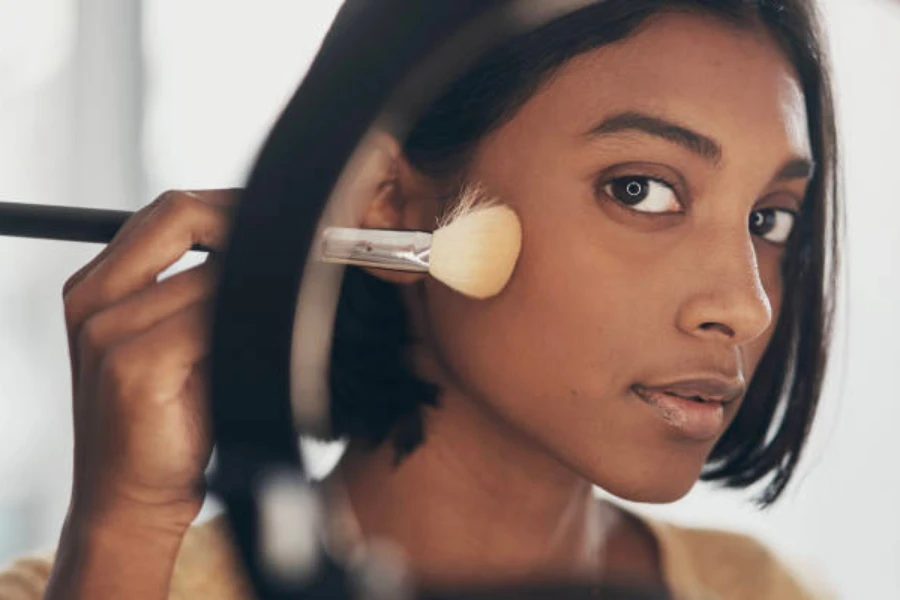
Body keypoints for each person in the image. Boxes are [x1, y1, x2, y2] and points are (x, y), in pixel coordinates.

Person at [0, 0, 840, 598]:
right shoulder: (86, 584)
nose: (747, 306)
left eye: (770, 218)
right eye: (640, 191)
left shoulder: (762, 591)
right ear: (390, 203)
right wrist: (125, 538)